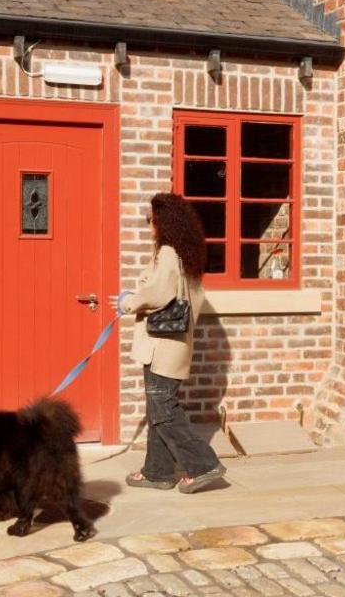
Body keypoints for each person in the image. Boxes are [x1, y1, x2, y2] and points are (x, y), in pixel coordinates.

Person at [115, 191, 226, 493]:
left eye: (151, 219)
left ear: (163, 221)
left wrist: (128, 302)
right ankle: (158, 472)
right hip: (173, 343)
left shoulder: (167, 253)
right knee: (158, 408)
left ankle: (204, 465)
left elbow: (157, 294)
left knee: (164, 409)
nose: (149, 225)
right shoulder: (186, 254)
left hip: (162, 345)